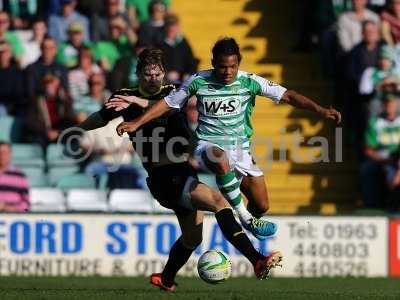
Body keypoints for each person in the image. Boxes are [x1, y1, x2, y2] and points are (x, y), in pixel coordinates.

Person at [78, 47, 282, 291]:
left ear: (164, 73)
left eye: (157, 74)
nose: (153, 78)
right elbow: (100, 118)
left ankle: (165, 278)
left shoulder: (174, 91)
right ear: (138, 74)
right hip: (163, 175)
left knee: (193, 238)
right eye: (147, 74)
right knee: (219, 201)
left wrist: (138, 101)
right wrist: (78, 126)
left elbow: (165, 105)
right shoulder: (125, 97)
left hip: (184, 172)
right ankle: (257, 260)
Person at [109, 37, 341, 234]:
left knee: (262, 205)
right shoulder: (199, 80)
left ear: (238, 63)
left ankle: (245, 223)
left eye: (232, 66)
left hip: (241, 150)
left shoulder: (250, 81)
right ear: (213, 64)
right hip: (208, 144)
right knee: (219, 158)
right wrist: (136, 122)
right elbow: (168, 103)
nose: (227, 71)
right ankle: (243, 217)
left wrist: (319, 110)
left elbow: (288, 96)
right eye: (222, 67)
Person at [362, 94, 400, 209]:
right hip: (381, 159)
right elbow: (368, 150)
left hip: (398, 159)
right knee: (368, 169)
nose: (389, 106)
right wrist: (385, 161)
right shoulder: (375, 122)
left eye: (392, 103)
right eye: (387, 103)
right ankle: (372, 209)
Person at [0, 141, 30, 212]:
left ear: (10, 154)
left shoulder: (20, 176)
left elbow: (26, 205)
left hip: (13, 218)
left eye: (5, 153)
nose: (2, 155)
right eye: (0, 152)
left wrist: (6, 208)